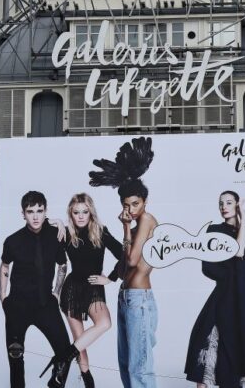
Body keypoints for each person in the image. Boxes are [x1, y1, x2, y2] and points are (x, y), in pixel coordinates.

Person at [184, 190, 245, 388]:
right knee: (206, 345)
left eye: (229, 203)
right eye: (221, 203)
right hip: (226, 295)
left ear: (237, 205)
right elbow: (238, 251)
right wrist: (243, 220)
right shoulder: (215, 231)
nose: (223, 207)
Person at [89, 136, 159, 388]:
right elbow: (123, 264)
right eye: (126, 205)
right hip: (126, 297)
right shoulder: (135, 223)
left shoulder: (147, 219)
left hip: (139, 299)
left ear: (144, 202)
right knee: (126, 365)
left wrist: (126, 227)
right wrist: (110, 277)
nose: (131, 209)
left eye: (135, 204)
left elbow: (130, 259)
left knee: (140, 367)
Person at [0, 190, 74, 388]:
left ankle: (55, 384)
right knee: (15, 359)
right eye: (30, 211)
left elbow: (62, 265)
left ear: (45, 211)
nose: (35, 216)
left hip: (44, 305)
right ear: (23, 214)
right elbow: (5, 266)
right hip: (17, 306)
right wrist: (2, 296)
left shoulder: (56, 234)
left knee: (66, 351)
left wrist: (56, 293)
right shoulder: (12, 241)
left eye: (39, 211)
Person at [56, 193, 124, 388]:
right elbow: (41, 224)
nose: (80, 216)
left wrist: (110, 278)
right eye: (76, 212)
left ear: (91, 212)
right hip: (72, 290)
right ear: (71, 213)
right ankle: (88, 381)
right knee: (80, 341)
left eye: (84, 212)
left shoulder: (101, 231)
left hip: (94, 288)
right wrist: (56, 221)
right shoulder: (67, 233)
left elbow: (124, 255)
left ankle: (64, 358)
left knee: (104, 323)